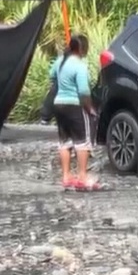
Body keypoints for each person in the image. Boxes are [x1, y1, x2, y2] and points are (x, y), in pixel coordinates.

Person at [50, 34, 98, 190]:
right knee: (82, 141)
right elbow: (84, 91)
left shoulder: (60, 62)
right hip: (75, 105)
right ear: (82, 48)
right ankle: (82, 176)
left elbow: (51, 76)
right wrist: (90, 109)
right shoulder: (79, 65)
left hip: (59, 104)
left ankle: (66, 176)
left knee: (65, 142)